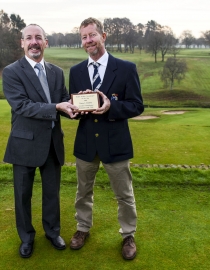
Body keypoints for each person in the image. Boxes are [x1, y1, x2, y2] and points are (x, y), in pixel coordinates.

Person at [69, 17, 144, 260]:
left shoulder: (126, 68)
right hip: (87, 143)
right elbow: (76, 111)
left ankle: (128, 235)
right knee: (82, 193)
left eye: (92, 35)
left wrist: (112, 106)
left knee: (124, 195)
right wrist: (74, 110)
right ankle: (82, 229)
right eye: (84, 37)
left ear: (104, 36)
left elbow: (136, 106)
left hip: (116, 144)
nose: (88, 40)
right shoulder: (76, 71)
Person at [2, 24, 78, 258]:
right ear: (22, 43)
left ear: (46, 42)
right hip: (24, 143)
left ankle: (53, 232)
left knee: (51, 194)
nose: (34, 42)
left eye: (38, 38)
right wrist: (57, 107)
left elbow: (64, 100)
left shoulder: (56, 71)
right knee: (23, 195)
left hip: (52, 143)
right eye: (29, 38)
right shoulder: (12, 72)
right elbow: (22, 105)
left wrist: (77, 107)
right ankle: (26, 238)